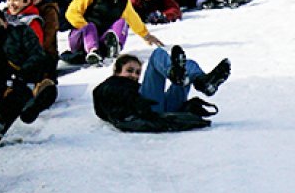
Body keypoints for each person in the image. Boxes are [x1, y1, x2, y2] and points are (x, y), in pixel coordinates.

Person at [0, 6, 58, 148]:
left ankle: (31, 106)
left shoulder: (21, 32)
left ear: (5, 22)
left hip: (26, 80)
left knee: (33, 92)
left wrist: (21, 74)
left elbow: (38, 55)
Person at [92, 47, 230, 133]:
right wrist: (134, 105)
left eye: (137, 72)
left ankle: (205, 83)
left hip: (155, 109)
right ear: (116, 72)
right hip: (144, 112)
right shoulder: (110, 85)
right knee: (157, 54)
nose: (134, 75)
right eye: (129, 70)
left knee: (189, 64)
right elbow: (104, 102)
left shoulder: (137, 88)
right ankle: (174, 73)